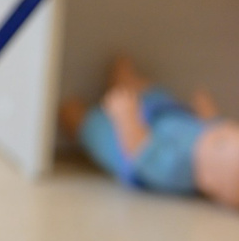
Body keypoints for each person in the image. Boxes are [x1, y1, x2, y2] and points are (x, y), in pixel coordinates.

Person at [62, 56, 239, 210]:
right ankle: (125, 81)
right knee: (154, 93)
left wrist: (126, 117)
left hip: (127, 143)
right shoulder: (210, 135)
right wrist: (207, 112)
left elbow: (139, 151)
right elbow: (214, 124)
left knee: (98, 131)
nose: (220, 130)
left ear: (209, 183)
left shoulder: (174, 169)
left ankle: (75, 118)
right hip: (162, 117)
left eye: (220, 142)